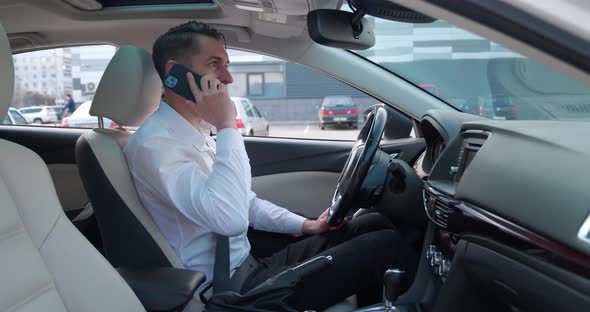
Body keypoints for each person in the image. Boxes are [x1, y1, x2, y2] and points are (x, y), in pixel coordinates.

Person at [124, 21, 412, 311]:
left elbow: (245, 202)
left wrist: (307, 226)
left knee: (371, 224)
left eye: (227, 64)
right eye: (214, 65)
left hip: (247, 265)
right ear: (175, 74)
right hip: (231, 292)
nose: (227, 78)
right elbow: (231, 219)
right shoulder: (156, 146)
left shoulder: (194, 134)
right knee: (386, 246)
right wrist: (226, 125)